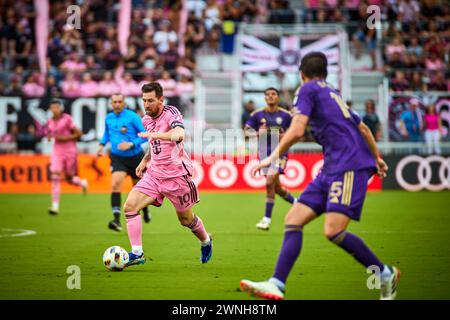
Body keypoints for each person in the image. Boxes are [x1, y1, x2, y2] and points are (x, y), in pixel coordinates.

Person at [240, 52, 399, 300]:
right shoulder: (332, 93)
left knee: (333, 230)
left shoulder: (307, 90)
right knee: (293, 218)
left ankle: (385, 273)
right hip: (332, 167)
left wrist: (272, 157)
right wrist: (377, 157)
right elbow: (363, 128)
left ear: (302, 74)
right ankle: (277, 283)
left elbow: (297, 129)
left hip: (348, 165)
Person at [122, 82, 212, 267]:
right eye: (144, 100)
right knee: (130, 207)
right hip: (154, 175)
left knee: (186, 220)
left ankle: (205, 241)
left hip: (176, 177)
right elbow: (154, 145)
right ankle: (137, 253)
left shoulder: (171, 112)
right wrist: (145, 160)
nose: (146, 105)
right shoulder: (146, 119)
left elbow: (178, 134)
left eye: (151, 101)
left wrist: (156, 135)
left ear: (161, 99)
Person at [97, 94, 151, 232]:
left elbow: (145, 135)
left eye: (120, 101)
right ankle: (116, 220)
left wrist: (131, 144)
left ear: (124, 103)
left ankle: (145, 211)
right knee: (115, 184)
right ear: (111, 103)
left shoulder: (132, 117)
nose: (117, 104)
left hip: (135, 158)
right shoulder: (108, 118)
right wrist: (102, 145)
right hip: (117, 157)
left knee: (138, 189)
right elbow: (107, 133)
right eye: (114, 102)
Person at [244, 88, 296, 231]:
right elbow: (246, 132)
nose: (270, 97)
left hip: (280, 153)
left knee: (269, 182)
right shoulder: (257, 115)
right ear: (265, 98)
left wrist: (284, 137)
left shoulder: (286, 116)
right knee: (277, 188)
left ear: (278, 98)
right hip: (264, 154)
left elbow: (296, 133)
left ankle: (266, 220)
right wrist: (256, 133)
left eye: (273, 94)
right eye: (267, 95)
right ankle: (297, 203)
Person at [46, 99, 88, 215]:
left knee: (69, 178)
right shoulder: (50, 121)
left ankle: (82, 183)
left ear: (60, 108)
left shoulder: (67, 119)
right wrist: (50, 136)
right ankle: (55, 206)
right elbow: (50, 133)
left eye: (56, 107)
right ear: (50, 109)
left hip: (70, 150)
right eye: (52, 108)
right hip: (57, 150)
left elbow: (79, 134)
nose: (55, 110)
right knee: (55, 175)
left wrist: (64, 138)